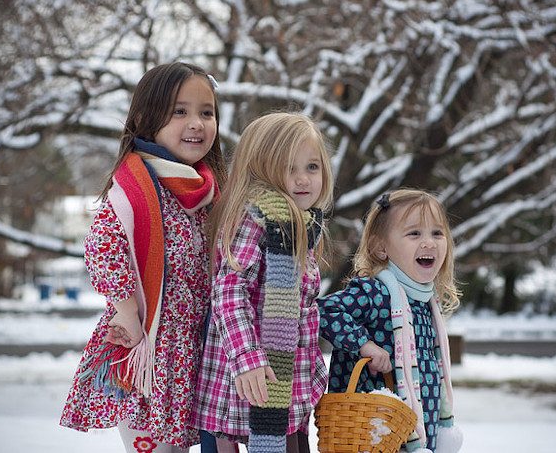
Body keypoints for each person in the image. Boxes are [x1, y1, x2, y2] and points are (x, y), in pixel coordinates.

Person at [60, 61, 227, 453]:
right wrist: (124, 311)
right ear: (146, 119)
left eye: (207, 112)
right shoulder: (134, 187)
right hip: (148, 347)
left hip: (196, 347)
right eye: (179, 111)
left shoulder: (209, 192)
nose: (197, 124)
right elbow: (103, 247)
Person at [190, 112, 334, 453]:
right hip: (251, 382)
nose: (303, 179)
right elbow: (229, 291)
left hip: (286, 383)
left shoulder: (301, 225)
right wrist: (248, 357)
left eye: (312, 167)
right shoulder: (257, 220)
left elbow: (302, 309)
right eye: (289, 168)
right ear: (262, 170)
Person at [318, 189, 463, 453]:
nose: (429, 243)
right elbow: (326, 310)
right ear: (380, 247)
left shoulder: (426, 303)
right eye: (414, 233)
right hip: (374, 432)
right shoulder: (375, 293)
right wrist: (364, 345)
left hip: (422, 429)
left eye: (437, 233)